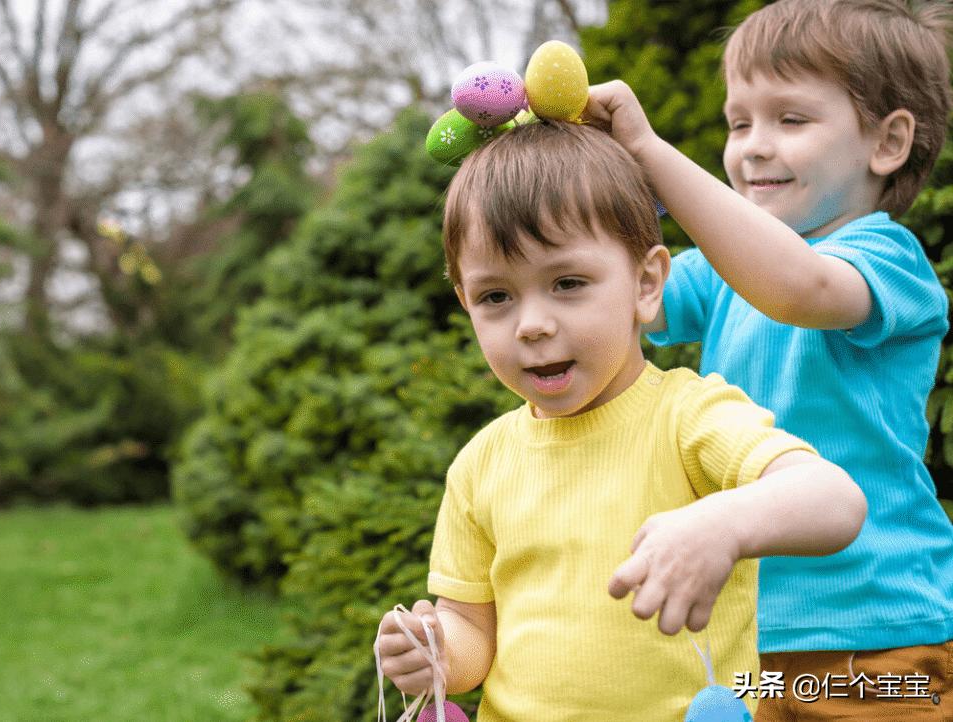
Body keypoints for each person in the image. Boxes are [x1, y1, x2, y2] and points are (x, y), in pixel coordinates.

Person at [374, 120, 867, 721]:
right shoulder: (482, 462)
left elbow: (836, 502)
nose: (531, 324)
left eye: (567, 283)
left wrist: (725, 525)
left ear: (646, 283)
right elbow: (475, 636)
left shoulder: (689, 418)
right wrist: (438, 651)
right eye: (496, 297)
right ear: (465, 303)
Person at [583, 1, 953, 719]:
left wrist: (650, 153)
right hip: (748, 638)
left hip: (877, 637)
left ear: (888, 142)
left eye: (790, 119)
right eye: (738, 122)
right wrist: (572, 175)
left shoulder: (885, 261)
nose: (752, 147)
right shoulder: (725, 270)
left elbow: (797, 287)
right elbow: (621, 297)